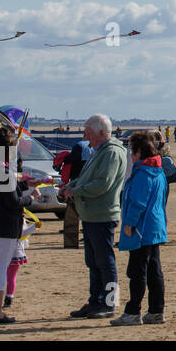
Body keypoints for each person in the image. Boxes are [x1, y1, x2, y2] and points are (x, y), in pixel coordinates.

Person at [62, 114, 127, 319]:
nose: (85, 137)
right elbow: (84, 177)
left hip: (102, 214)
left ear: (100, 132)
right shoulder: (98, 151)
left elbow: (102, 184)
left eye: (88, 133)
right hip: (90, 214)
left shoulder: (112, 153)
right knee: (93, 261)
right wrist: (70, 187)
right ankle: (95, 301)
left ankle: (109, 304)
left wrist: (76, 191)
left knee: (106, 261)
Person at [0, 126, 39, 323]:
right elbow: (11, 201)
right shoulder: (2, 169)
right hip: (3, 226)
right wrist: (30, 199)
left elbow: (2, 192)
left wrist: (22, 186)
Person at [110, 131, 168, 327]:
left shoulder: (144, 172)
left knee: (138, 271)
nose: (130, 155)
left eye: (132, 151)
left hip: (142, 229)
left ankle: (133, 311)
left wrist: (129, 223)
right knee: (153, 270)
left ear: (140, 152)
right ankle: (156, 310)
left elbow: (138, 202)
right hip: (155, 227)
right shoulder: (158, 171)